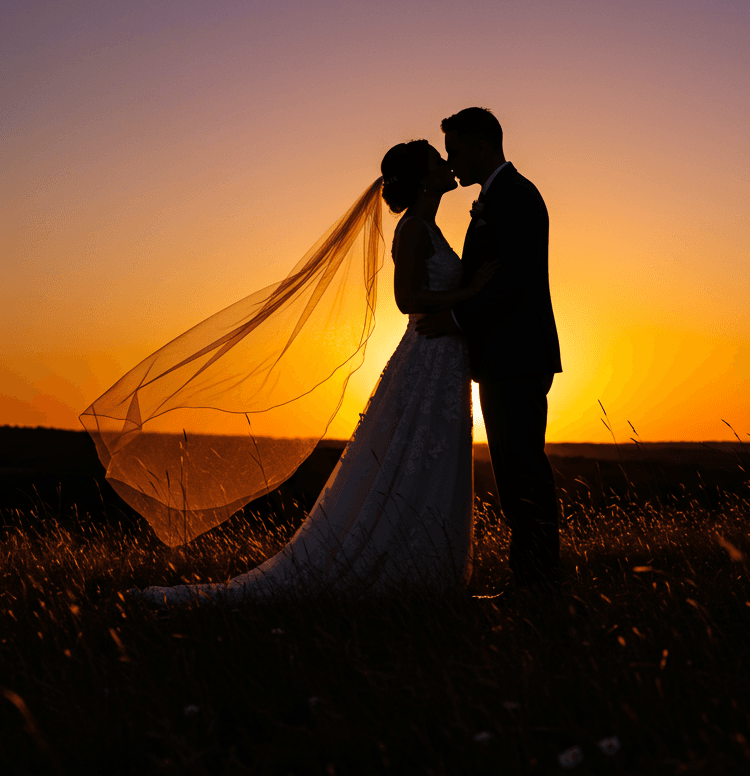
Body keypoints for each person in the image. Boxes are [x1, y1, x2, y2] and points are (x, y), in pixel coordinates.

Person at [131, 140, 496, 604]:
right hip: (427, 359)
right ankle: (404, 576)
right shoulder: (414, 230)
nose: (448, 164)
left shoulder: (430, 227)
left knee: (435, 462)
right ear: (424, 179)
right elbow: (407, 300)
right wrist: (471, 293)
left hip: (444, 363)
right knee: (416, 459)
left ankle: (428, 575)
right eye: (437, 160)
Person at [416, 108, 561, 591]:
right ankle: (531, 581)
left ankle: (538, 585)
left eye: (455, 150)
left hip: (517, 356)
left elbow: (516, 278)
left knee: (523, 471)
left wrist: (455, 319)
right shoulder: (493, 199)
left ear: (482, 146)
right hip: (502, 357)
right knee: (513, 472)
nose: (451, 162)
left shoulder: (516, 196)